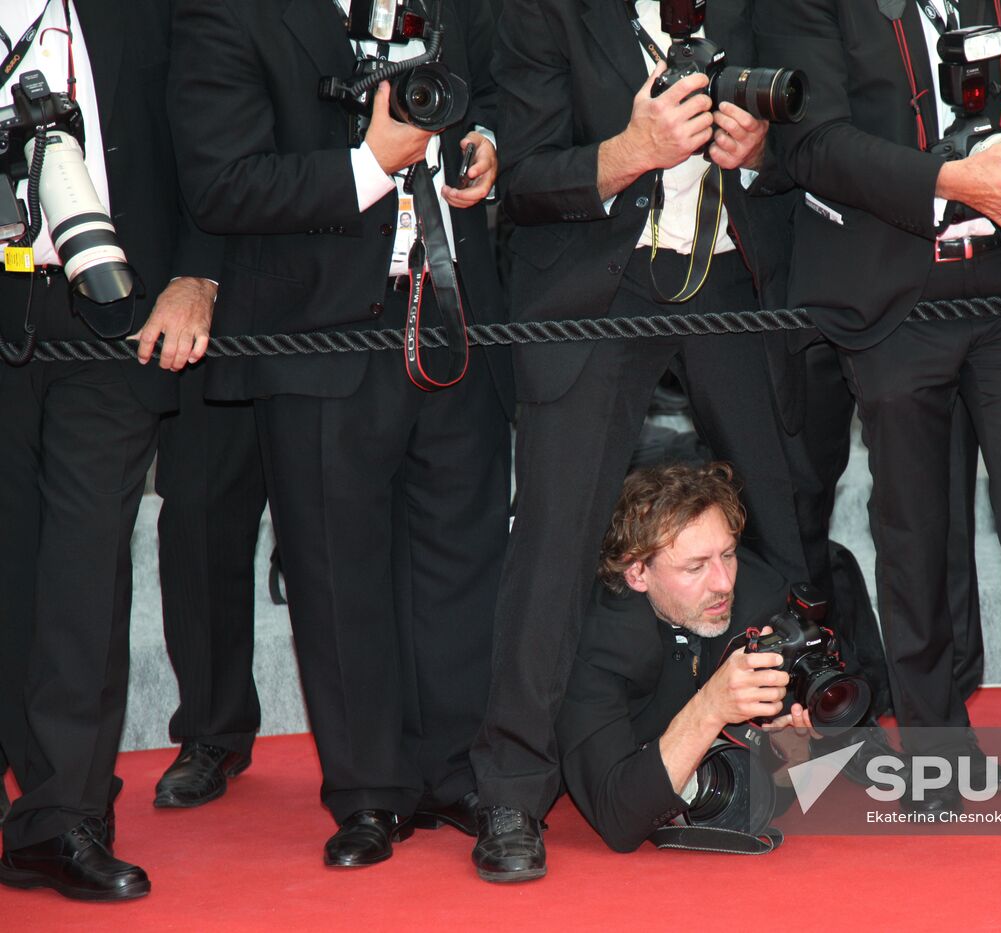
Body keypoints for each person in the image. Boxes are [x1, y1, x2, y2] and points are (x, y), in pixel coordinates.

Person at [754, 0, 1001, 840]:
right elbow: (810, 142)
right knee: (913, 527)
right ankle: (936, 753)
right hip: (890, 296)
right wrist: (952, 181)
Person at [168, 0, 514, 867]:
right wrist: (367, 164)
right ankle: (367, 792)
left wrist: (488, 147)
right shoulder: (227, 15)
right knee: (334, 566)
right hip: (318, 329)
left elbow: (507, 91)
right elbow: (220, 181)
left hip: (456, 312)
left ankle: (456, 770)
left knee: (462, 554)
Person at [470, 0, 808, 881]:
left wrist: (759, 150)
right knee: (553, 540)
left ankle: (791, 722)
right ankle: (510, 795)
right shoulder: (544, 12)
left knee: (781, 513)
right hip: (592, 289)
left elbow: (808, 128)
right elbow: (526, 177)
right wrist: (635, 151)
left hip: (731, 275)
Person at [0, 0, 222, 901]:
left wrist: (198, 276)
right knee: (12, 562)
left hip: (117, 308)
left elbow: (208, 135)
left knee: (85, 563)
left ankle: (66, 816)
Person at [557, 462, 810, 852]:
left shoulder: (761, 598)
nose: (724, 584)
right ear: (637, 573)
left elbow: (769, 793)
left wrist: (793, 759)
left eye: (728, 555)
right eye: (695, 567)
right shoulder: (594, 638)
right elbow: (617, 822)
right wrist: (711, 705)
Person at [151, 369, 267, 810]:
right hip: (206, 331)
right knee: (197, 510)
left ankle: (375, 755)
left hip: (329, 318)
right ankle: (212, 729)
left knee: (341, 504)